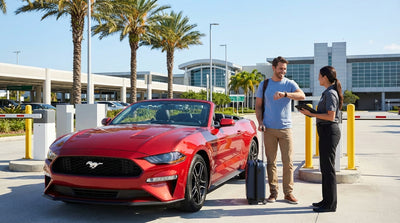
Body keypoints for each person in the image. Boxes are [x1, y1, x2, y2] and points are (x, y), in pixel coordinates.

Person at [255, 56, 305, 204]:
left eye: (284, 69)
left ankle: (288, 193)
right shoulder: (264, 85)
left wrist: (285, 94)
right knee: (271, 163)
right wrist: (260, 122)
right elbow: (258, 106)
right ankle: (273, 193)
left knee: (288, 162)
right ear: (274, 68)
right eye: (280, 68)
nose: (283, 71)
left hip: (285, 129)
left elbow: (301, 95)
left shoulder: (289, 83)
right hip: (269, 128)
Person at [298, 65, 343, 213]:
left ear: (325, 77)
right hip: (325, 132)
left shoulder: (330, 94)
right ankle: (326, 200)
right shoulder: (328, 92)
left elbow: (330, 116)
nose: (318, 78)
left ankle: (330, 205)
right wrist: (312, 113)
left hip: (329, 132)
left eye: (319, 75)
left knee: (328, 169)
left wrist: (312, 114)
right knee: (325, 168)